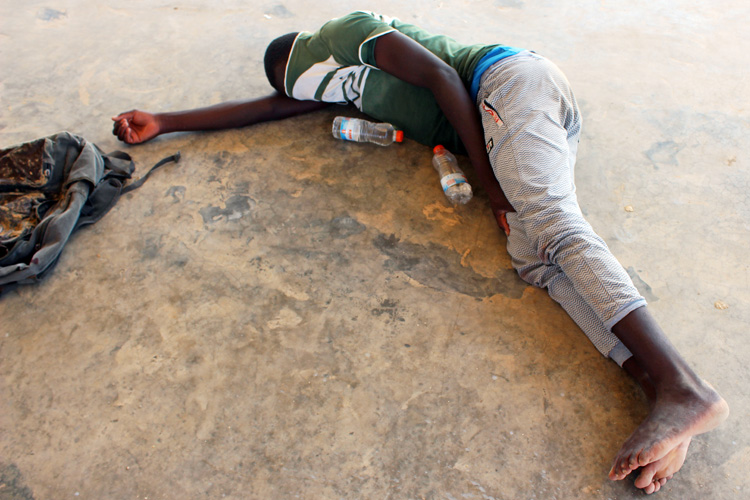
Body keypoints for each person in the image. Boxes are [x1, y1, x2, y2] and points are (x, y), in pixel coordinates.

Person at [112, 11, 728, 494]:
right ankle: (657, 394)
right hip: (503, 125)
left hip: (510, 85)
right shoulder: (338, 85)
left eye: (301, 78)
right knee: (534, 259)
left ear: (307, 51)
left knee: (547, 220)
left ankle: (684, 387)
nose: (306, 95)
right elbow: (267, 107)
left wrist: (490, 188)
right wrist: (164, 120)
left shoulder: (352, 33)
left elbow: (439, 76)